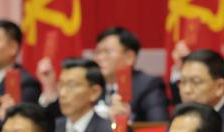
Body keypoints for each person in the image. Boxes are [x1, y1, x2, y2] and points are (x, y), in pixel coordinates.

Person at [38, 27, 168, 122]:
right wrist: (49, 89)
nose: (100, 58)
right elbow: (64, 120)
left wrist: (124, 122)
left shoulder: (147, 85)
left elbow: (157, 127)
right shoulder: (93, 85)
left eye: (107, 52)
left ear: (129, 57)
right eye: (97, 52)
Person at [48, 58, 142, 132]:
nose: (62, 93)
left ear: (95, 92)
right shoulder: (51, 128)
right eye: (61, 85)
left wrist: (123, 126)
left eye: (72, 85)